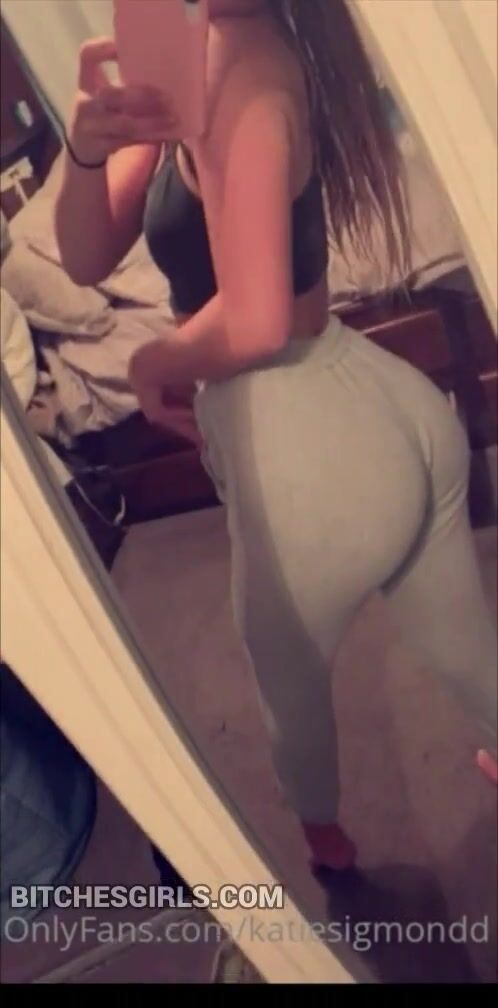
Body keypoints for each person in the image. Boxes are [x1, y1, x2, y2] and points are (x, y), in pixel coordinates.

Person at [55, 0, 497, 872]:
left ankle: (324, 845)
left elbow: (259, 317)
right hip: (387, 404)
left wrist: (153, 360)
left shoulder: (239, 60)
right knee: (461, 640)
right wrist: (84, 148)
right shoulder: (217, 50)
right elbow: (83, 257)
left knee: (285, 679)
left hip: (301, 439)